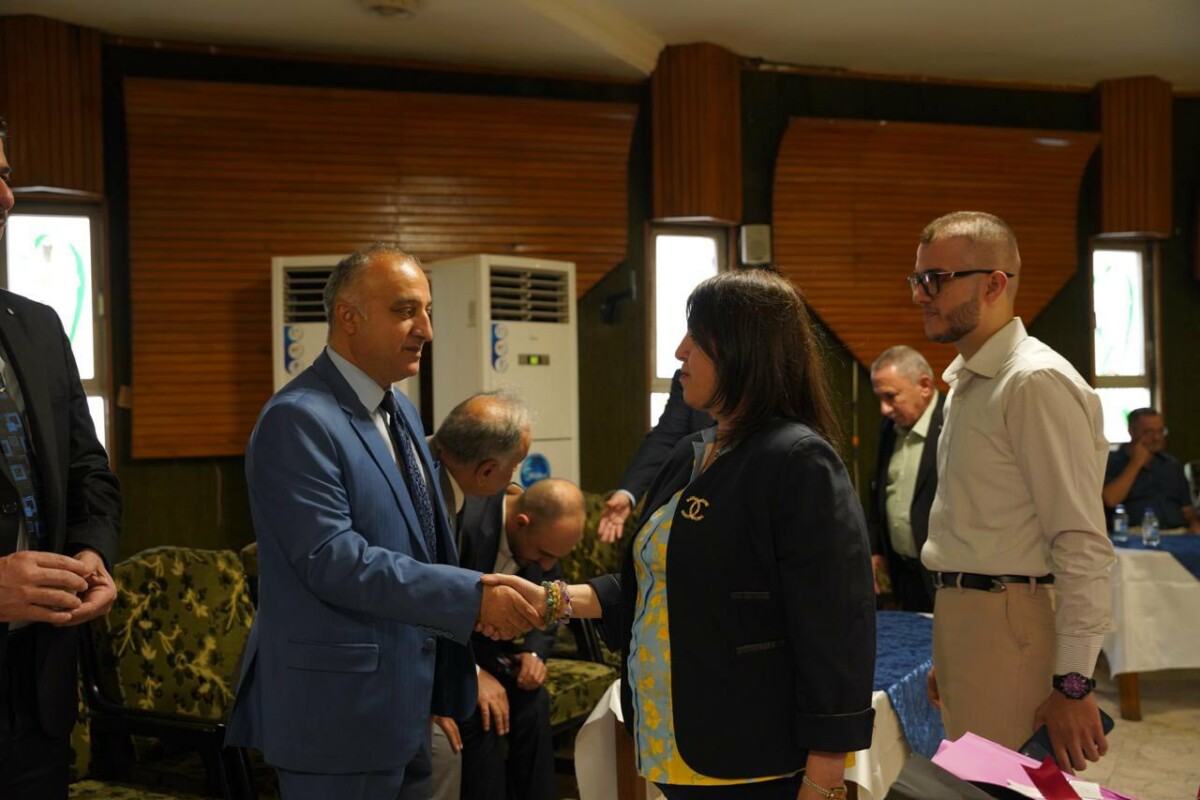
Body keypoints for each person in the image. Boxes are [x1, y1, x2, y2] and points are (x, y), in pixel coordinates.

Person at [495, 269, 877, 799]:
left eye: (696, 338)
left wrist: (825, 773)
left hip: (751, 756)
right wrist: (550, 599)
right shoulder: (690, 453)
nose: (679, 351)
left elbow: (836, 624)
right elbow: (658, 585)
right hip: (676, 741)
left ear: (744, 351)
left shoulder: (797, 459)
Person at [225, 243, 543, 800]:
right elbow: (332, 560)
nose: (426, 329)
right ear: (348, 316)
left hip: (406, 701)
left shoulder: (401, 410)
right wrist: (472, 596)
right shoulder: (297, 419)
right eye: (404, 311)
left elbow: (422, 544)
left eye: (428, 311)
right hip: (337, 712)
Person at [911, 211, 1114, 772]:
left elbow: (1081, 543)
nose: (922, 295)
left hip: (1010, 621)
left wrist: (1073, 684)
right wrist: (955, 643)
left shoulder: (1033, 381)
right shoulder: (970, 379)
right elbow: (976, 525)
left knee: (1006, 787)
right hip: (973, 619)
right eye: (918, 280)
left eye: (937, 280)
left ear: (995, 284)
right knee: (976, 783)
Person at [0, 116, 122, 800]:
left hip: (39, 688)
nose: (6, 197)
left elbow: (87, 471)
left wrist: (90, 553)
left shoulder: (40, 326)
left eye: (6, 176)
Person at [425, 390, 532, 800]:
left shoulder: (443, 478)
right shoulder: (425, 495)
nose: (517, 479)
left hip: (429, 657)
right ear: (487, 470)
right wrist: (458, 680)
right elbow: (408, 594)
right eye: (515, 466)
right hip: (386, 668)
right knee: (465, 725)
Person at [453, 478, 584, 800]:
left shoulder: (544, 540)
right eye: (544, 555)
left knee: (533, 700)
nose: (548, 565)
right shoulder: (464, 522)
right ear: (521, 523)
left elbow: (550, 601)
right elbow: (432, 607)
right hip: (449, 649)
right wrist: (472, 673)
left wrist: (533, 654)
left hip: (494, 648)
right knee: (483, 714)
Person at [867, 345, 944, 612]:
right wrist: (876, 549)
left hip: (944, 576)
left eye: (890, 396)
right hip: (903, 573)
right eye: (879, 398)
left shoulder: (955, 422)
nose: (884, 409)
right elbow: (878, 489)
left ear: (924, 386)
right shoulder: (890, 427)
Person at [596, 370, 710, 542]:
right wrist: (628, 493)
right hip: (693, 512)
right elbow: (666, 438)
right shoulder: (687, 375)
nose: (680, 356)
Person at [1102, 408, 1200, 533]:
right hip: (1133, 534)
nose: (1157, 437)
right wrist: (1136, 463)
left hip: (1178, 533)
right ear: (1131, 431)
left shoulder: (1171, 464)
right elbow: (1110, 499)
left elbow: (1187, 509)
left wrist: (1194, 523)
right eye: (1149, 432)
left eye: (1161, 431)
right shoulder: (1111, 461)